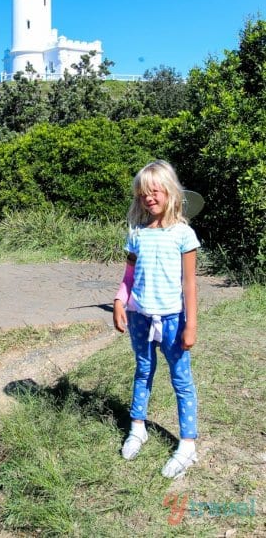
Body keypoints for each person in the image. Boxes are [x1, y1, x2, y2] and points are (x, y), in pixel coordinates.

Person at [113, 160, 200, 479]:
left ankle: (188, 444)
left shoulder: (183, 235)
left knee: (181, 379)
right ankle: (138, 427)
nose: (148, 198)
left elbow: (190, 283)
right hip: (140, 318)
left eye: (154, 191)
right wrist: (120, 300)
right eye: (142, 194)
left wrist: (191, 323)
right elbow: (129, 275)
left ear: (170, 192)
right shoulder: (136, 235)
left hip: (174, 319)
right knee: (143, 369)